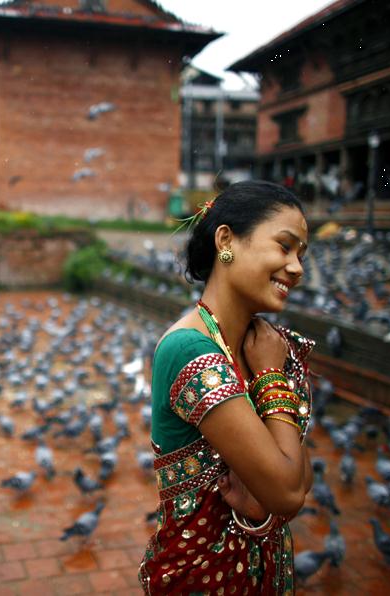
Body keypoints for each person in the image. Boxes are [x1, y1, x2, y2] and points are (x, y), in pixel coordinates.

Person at [138, 180, 314, 595]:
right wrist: (273, 379)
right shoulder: (189, 348)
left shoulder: (261, 345)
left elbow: (300, 478)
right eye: (285, 246)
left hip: (262, 572)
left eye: (302, 255)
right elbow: (289, 492)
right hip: (203, 579)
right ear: (226, 240)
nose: (297, 267)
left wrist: (267, 497)